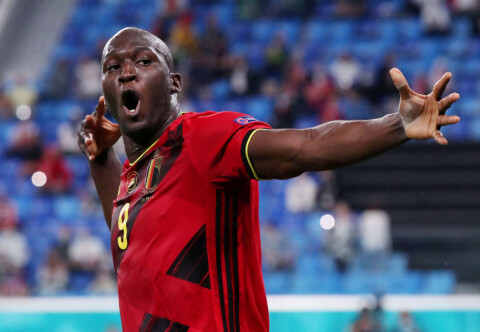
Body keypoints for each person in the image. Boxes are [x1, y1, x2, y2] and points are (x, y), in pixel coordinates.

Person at [77, 27, 460, 331]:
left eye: (143, 61)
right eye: (113, 67)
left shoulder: (201, 138)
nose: (126, 71)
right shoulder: (133, 178)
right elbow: (133, 256)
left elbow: (304, 147)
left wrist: (397, 125)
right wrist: (100, 160)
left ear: (175, 83)